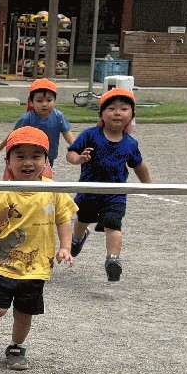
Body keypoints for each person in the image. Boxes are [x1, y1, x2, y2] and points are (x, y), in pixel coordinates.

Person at [0, 127, 75, 371]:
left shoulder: (53, 190)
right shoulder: (3, 192)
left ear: (46, 161)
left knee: (24, 311)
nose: (28, 162)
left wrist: (65, 247)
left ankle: (16, 347)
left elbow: (64, 219)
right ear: (8, 161)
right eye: (20, 157)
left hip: (36, 264)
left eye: (35, 156)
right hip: (1, 260)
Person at [64, 88, 152, 283]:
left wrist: (149, 185)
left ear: (132, 115)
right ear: (101, 114)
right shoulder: (90, 135)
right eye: (111, 108)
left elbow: (139, 166)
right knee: (83, 218)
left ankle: (113, 259)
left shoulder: (130, 143)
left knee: (113, 223)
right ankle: (77, 238)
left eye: (124, 109)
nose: (117, 113)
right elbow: (71, 153)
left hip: (115, 194)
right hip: (89, 191)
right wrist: (78, 159)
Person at [0, 77, 72, 165]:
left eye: (49, 100)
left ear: (54, 101)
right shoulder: (27, 118)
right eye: (39, 101)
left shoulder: (58, 116)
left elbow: (66, 132)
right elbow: (14, 135)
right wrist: (2, 145)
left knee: (46, 173)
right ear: (31, 102)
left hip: (49, 155)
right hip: (30, 156)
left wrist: (76, 146)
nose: (44, 104)